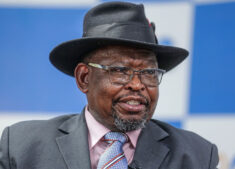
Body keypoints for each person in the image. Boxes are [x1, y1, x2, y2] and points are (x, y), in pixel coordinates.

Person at [0, 2, 218, 169]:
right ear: (84, 78)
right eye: (120, 71)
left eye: (149, 72)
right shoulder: (22, 147)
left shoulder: (197, 156)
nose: (137, 85)